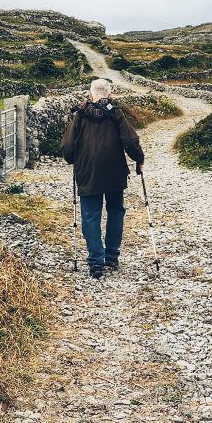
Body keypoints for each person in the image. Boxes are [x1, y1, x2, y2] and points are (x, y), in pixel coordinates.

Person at [62, 78, 145, 279]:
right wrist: (139, 159)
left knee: (91, 215)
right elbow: (130, 140)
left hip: (88, 171)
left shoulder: (80, 115)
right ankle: (111, 255)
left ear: (90, 96)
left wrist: (73, 160)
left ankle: (95, 262)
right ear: (110, 95)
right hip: (114, 171)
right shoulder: (115, 113)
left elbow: (67, 148)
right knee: (115, 211)